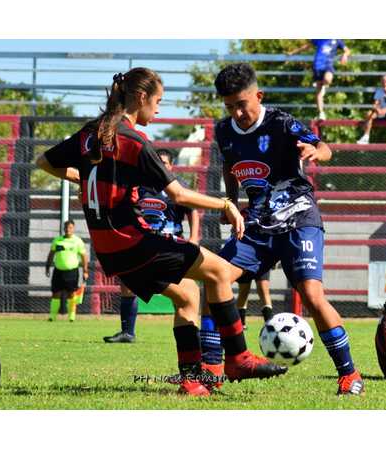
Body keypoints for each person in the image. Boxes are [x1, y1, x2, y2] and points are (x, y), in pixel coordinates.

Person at [36, 67, 288, 396]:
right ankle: (238, 358)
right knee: (221, 272)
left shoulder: (90, 133)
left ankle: (192, 379)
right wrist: (225, 205)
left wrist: (86, 179)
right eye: (157, 102)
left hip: (109, 247)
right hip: (134, 240)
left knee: (187, 296)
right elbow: (179, 196)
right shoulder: (135, 141)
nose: (158, 110)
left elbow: (44, 161)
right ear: (141, 97)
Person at [203, 63, 365, 395]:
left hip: (298, 218)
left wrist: (313, 151)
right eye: (229, 105)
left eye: (242, 104)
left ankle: (349, 374)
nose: (237, 112)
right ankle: (211, 369)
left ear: (258, 96)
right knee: (214, 279)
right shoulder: (223, 130)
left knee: (311, 296)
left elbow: (326, 148)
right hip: (257, 225)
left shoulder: (280, 122)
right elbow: (232, 170)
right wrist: (231, 203)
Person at [104, 149, 201, 343]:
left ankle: (189, 333)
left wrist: (193, 238)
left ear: (171, 166)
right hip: (146, 245)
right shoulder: (140, 185)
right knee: (127, 284)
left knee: (183, 293)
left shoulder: (178, 186)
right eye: (158, 162)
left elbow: (192, 212)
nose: (161, 166)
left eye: (165, 163)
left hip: (174, 245)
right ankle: (127, 332)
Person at [287, 39, 350, 121]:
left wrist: (345, 55)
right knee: (318, 91)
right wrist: (292, 53)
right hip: (317, 65)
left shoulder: (337, 40)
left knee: (328, 79)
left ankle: (324, 84)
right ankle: (321, 113)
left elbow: (347, 50)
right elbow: (306, 46)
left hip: (327, 65)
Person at [45, 220, 88, 322]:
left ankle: (71, 316)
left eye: (70, 227)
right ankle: (52, 316)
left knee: (71, 294)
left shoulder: (78, 241)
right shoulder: (57, 240)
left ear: (73, 229)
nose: (68, 229)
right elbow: (51, 254)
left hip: (72, 271)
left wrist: (85, 270)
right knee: (56, 293)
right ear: (63, 228)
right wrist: (47, 266)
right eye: (66, 227)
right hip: (58, 271)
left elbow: (84, 256)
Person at [357, 75, 386, 144]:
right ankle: (366, 137)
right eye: (383, 82)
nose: (385, 83)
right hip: (381, 113)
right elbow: (375, 104)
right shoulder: (379, 91)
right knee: (369, 113)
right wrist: (377, 109)